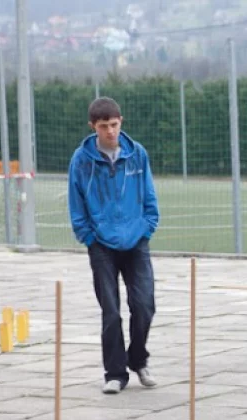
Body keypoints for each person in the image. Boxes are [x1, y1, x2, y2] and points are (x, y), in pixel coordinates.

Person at [68, 97, 160, 394]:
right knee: (111, 312)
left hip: (136, 242)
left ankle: (138, 358)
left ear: (121, 121)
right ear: (93, 127)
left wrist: (147, 226)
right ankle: (116, 373)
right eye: (104, 126)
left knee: (144, 305)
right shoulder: (81, 161)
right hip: (102, 246)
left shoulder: (137, 155)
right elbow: (76, 203)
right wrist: (89, 237)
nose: (110, 131)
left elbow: (149, 196)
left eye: (115, 125)